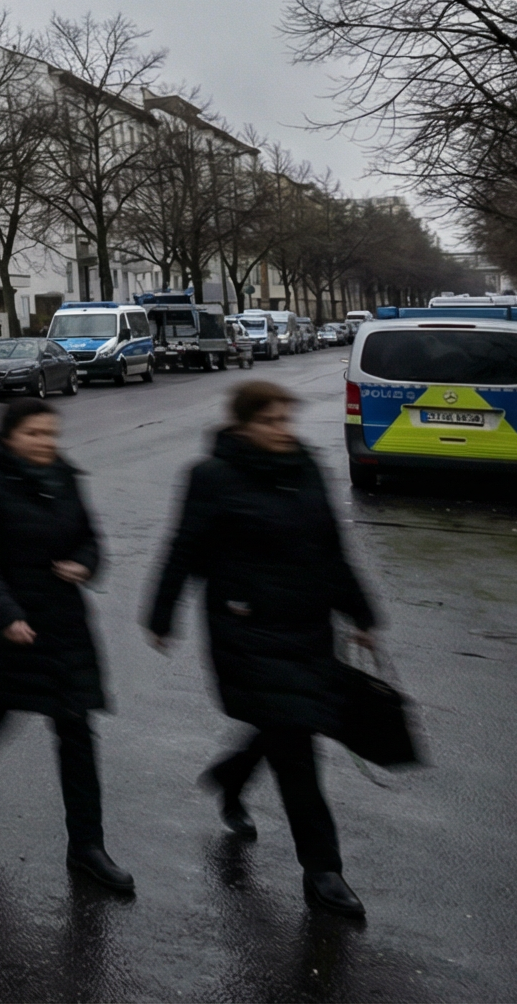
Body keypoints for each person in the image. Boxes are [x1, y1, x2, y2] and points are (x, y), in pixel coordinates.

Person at [147, 379, 379, 918]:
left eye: (285, 420)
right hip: (245, 627)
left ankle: (232, 775)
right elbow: (182, 548)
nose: (282, 430)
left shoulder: (306, 466)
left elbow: (331, 546)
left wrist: (360, 613)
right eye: (269, 421)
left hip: (307, 624)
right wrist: (162, 616)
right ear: (243, 424)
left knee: (291, 722)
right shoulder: (211, 476)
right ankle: (324, 870)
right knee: (296, 741)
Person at [0, 396, 134, 895]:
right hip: (8, 622)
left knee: (76, 730)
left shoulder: (66, 477)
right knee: (1, 704)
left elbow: (91, 539)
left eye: (51, 434)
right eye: (34, 434)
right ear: (10, 435)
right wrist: (6, 613)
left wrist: (85, 563)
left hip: (64, 624)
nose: (45, 443)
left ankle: (88, 848)